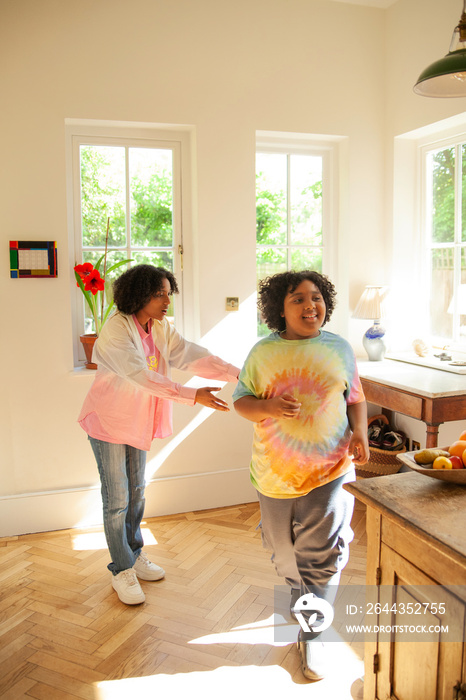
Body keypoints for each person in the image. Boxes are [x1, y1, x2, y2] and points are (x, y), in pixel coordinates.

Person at [232, 270, 369, 681]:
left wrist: (360, 430)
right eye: (298, 299)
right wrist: (269, 407)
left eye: (317, 297)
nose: (311, 306)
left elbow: (356, 397)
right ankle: (305, 607)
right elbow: (242, 402)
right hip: (274, 472)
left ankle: (313, 635)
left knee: (322, 555)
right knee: (283, 552)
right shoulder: (262, 353)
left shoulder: (340, 348)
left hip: (330, 469)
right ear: (280, 309)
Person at [78, 264, 239, 606]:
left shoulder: (162, 328)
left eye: (169, 293)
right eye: (158, 293)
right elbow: (139, 375)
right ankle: (121, 569)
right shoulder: (116, 330)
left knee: (137, 492)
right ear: (138, 295)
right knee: (117, 498)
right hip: (108, 422)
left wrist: (238, 373)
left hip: (137, 421)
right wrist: (192, 395)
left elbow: (192, 356)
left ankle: (135, 554)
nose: (167, 300)